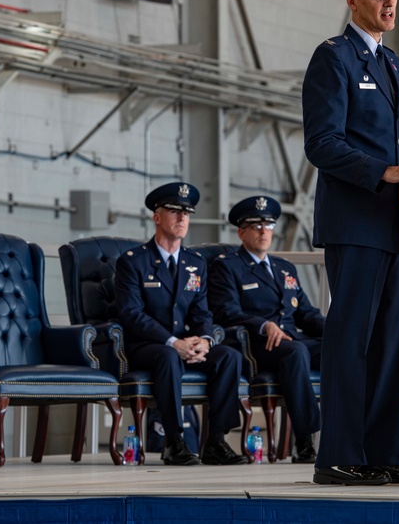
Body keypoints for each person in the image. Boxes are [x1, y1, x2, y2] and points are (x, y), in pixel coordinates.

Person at [301, 0, 399, 486]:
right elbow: (322, 143)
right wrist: (384, 172)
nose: (389, 1)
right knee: (350, 340)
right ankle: (337, 456)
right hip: (354, 220)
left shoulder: (390, 62)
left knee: (385, 344)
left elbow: (393, 142)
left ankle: (380, 454)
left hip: (390, 223)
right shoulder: (332, 58)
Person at [115, 181, 247, 466]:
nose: (182, 218)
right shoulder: (133, 262)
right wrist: (173, 342)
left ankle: (216, 441)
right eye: (174, 211)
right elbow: (131, 314)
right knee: (167, 356)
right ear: (157, 216)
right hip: (148, 347)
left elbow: (202, 312)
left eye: (187, 212)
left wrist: (205, 340)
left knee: (229, 356)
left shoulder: (195, 263)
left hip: (185, 346)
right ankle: (174, 441)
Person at [208, 195, 324, 464]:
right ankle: (305, 441)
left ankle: (349, 434)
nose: (263, 231)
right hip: (258, 344)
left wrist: (342, 331)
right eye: (256, 225)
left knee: (342, 350)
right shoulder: (228, 267)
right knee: (295, 352)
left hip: (292, 341)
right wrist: (264, 325)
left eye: (269, 226)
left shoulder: (285, 268)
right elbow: (226, 311)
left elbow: (305, 313)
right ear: (241, 231)